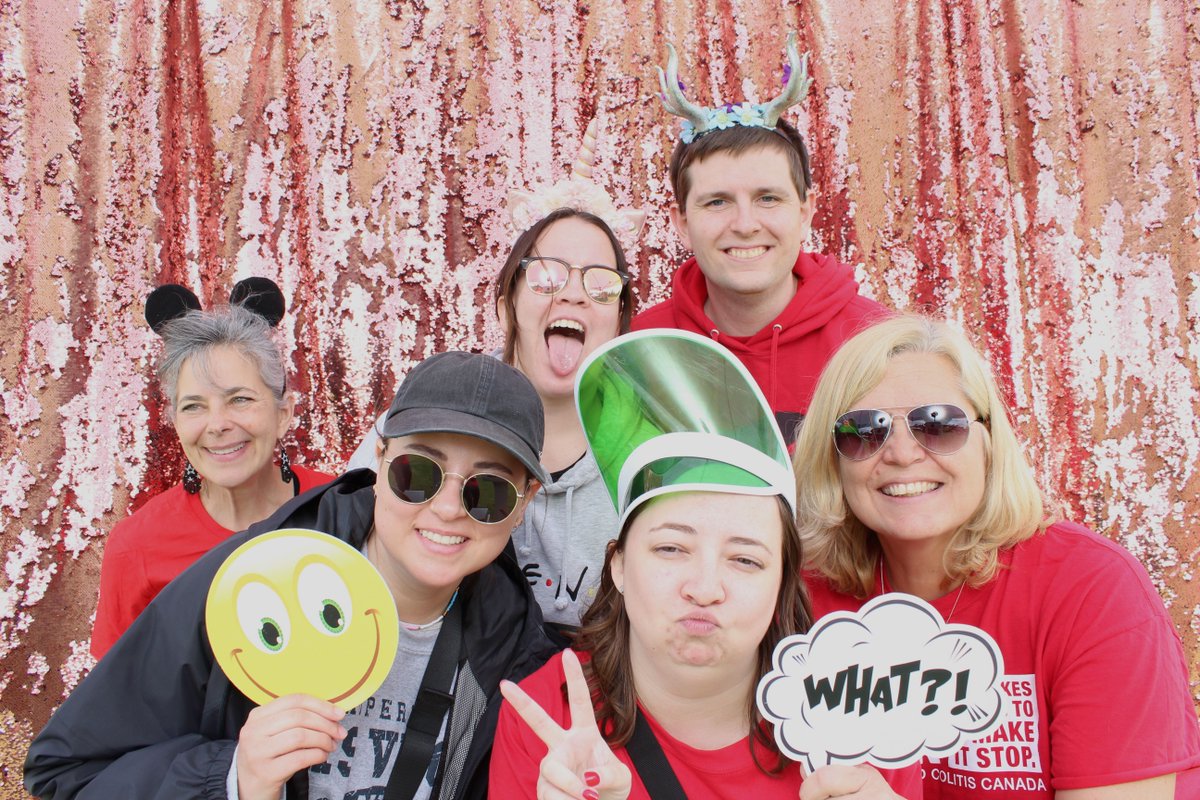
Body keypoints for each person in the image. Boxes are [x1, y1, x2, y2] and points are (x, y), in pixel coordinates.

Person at [26, 352, 562, 800]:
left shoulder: (518, 651)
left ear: (524, 505)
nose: (447, 509)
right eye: (417, 473)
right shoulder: (254, 579)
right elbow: (65, 775)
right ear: (379, 464)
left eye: (488, 491)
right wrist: (235, 778)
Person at [489, 330, 921, 799]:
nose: (705, 586)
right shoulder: (550, 722)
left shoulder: (862, 721)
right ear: (617, 565)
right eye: (671, 549)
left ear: (783, 583)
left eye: (745, 559)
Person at [792, 314, 1200, 799]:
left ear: (989, 443)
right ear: (832, 458)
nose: (902, 454)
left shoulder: (1091, 588)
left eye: (938, 424)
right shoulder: (801, 593)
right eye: (863, 430)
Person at [351, 122, 643, 628]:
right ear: (508, 306)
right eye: (548, 274)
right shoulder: (430, 419)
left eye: (600, 283)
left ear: (618, 320)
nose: (572, 294)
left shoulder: (648, 451)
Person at [632, 34, 888, 444]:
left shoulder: (875, 342)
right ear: (681, 222)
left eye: (768, 198)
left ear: (805, 212)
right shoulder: (640, 349)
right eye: (717, 202)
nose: (746, 224)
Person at [90, 281, 334, 659]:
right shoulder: (136, 546)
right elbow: (115, 696)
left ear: (283, 414)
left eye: (239, 399)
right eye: (194, 406)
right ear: (175, 422)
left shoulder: (342, 507)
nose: (217, 424)